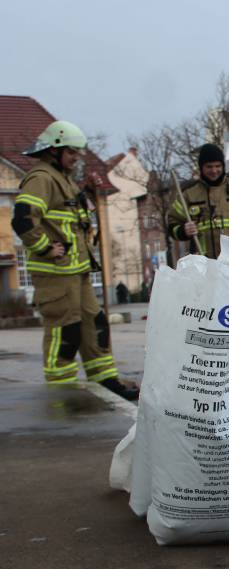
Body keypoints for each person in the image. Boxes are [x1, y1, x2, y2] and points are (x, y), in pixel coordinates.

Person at [11, 121, 139, 400]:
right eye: (72, 152)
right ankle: (61, 391)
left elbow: (72, 216)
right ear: (54, 150)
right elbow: (22, 219)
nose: (77, 157)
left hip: (76, 271)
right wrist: (46, 248)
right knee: (64, 330)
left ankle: (105, 380)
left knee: (96, 324)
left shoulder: (63, 178)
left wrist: (88, 192)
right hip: (55, 273)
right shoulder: (41, 177)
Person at [167, 143, 229, 260]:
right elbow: (172, 225)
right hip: (204, 264)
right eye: (209, 166)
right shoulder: (188, 195)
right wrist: (183, 231)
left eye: (218, 166)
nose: (214, 170)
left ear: (223, 166)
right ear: (201, 167)